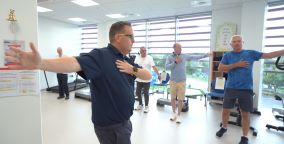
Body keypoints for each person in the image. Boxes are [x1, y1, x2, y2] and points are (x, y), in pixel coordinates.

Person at [5, 21, 151, 144]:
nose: (134, 40)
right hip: (111, 128)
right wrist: (40, 63)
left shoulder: (126, 60)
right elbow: (73, 62)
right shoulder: (101, 56)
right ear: (118, 37)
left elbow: (147, 75)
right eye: (131, 36)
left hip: (125, 123)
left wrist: (132, 69)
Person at [215, 35, 284, 144]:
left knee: (245, 114)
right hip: (230, 87)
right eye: (234, 41)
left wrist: (282, 51)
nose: (237, 43)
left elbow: (268, 55)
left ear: (243, 42)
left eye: (239, 41)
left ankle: (245, 137)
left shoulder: (250, 53)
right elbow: (220, 68)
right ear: (231, 44)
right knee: (225, 111)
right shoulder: (227, 55)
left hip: (246, 89)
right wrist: (236, 64)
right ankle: (224, 127)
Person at [165, 43, 210, 123]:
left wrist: (206, 55)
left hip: (182, 81)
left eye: (181, 48)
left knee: (180, 99)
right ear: (174, 49)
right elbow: (167, 67)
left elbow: (194, 57)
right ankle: (173, 113)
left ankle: (179, 115)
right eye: (179, 48)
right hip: (173, 81)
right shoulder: (169, 57)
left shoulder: (184, 56)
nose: (181, 49)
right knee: (172, 98)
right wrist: (175, 62)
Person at [134, 46, 161, 113]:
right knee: (138, 92)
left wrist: (158, 74)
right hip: (139, 78)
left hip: (147, 79)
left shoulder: (149, 58)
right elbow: (134, 66)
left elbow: (154, 67)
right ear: (140, 51)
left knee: (146, 93)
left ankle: (146, 106)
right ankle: (140, 104)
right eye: (143, 51)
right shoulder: (137, 57)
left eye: (145, 50)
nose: (144, 52)